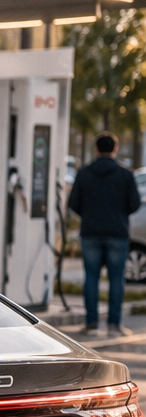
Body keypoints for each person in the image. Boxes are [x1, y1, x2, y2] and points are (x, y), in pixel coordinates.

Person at [68, 131, 141, 338]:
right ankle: (114, 325)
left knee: (91, 277)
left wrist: (89, 215)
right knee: (116, 279)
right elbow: (135, 203)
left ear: (97, 149)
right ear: (115, 149)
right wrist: (119, 214)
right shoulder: (125, 175)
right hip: (117, 232)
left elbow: (73, 202)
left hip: (90, 232)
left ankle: (91, 324)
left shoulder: (84, 173)